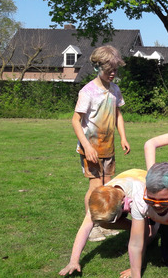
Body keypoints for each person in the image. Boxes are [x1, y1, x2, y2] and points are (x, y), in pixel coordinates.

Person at [71, 45, 131, 241]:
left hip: (108, 148)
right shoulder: (87, 92)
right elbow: (75, 121)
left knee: (107, 188)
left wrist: (123, 137)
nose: (113, 73)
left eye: (116, 69)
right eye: (109, 70)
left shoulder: (115, 90)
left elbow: (118, 116)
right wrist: (87, 147)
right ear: (98, 67)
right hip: (91, 150)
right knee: (95, 188)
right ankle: (92, 226)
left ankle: (104, 222)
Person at [59, 169, 150, 276]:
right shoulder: (99, 200)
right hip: (127, 181)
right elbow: (84, 229)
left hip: (143, 181)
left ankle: (139, 231)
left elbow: (142, 236)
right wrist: (73, 261)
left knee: (148, 233)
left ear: (121, 204)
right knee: (103, 222)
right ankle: (132, 228)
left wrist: (134, 269)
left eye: (112, 219)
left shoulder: (137, 197)